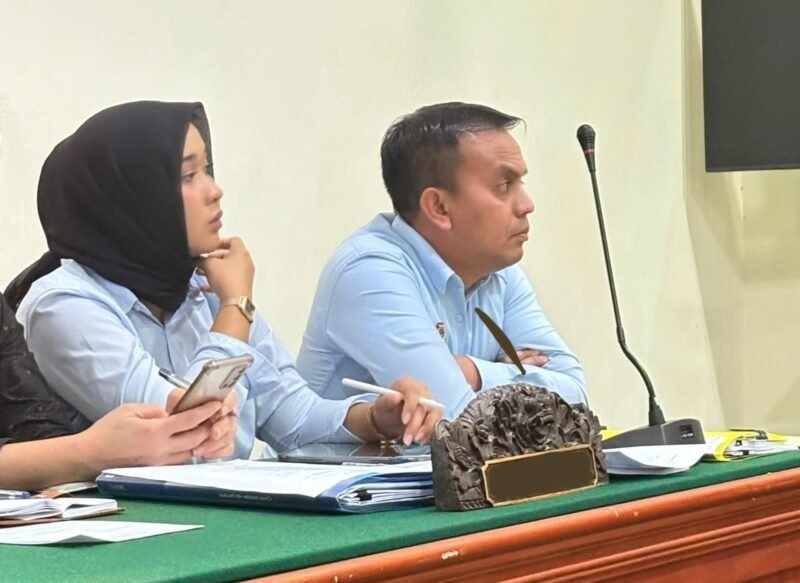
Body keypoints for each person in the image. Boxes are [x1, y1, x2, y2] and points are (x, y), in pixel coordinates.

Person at [13, 101, 439, 461]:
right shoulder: (63, 304)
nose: (214, 191)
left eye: (208, 169)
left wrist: (373, 418)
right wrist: (236, 306)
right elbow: (181, 436)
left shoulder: (203, 287)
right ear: (131, 198)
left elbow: (294, 418)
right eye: (187, 176)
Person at [297, 102, 587, 418]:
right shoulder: (369, 272)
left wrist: (474, 372)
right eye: (504, 186)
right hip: (352, 454)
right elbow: (452, 419)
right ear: (439, 208)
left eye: (521, 184)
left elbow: (575, 399)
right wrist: (510, 376)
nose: (527, 205)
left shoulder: (501, 275)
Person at [0, 294, 226, 490]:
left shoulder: (201, 289)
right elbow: (71, 449)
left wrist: (189, 422)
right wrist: (91, 452)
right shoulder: (62, 303)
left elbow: (37, 427)